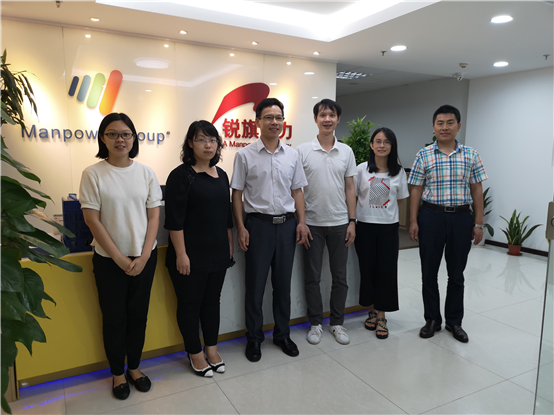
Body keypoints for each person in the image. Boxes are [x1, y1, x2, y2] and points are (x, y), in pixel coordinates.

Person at [80, 113, 162, 400]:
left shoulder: (146, 173)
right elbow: (92, 220)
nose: (120, 139)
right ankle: (117, 373)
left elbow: (154, 217)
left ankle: (135, 368)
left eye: (126, 134)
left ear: (134, 138)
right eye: (113, 134)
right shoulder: (93, 173)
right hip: (109, 261)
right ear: (103, 138)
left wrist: (143, 255)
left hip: (144, 258)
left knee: (138, 316)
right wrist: (120, 259)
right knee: (114, 319)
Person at [230, 97, 309, 362]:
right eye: (268, 117)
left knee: (283, 286)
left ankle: (282, 334)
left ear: (283, 122)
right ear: (258, 122)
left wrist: (301, 222)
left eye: (278, 117)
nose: (274, 122)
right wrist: (241, 227)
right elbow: (237, 194)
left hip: (287, 226)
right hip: (258, 227)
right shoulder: (245, 155)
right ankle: (254, 339)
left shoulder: (293, 155)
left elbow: (297, 191)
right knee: (254, 287)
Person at [408, 104, 487, 343]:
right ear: (433, 127)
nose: (445, 127)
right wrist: (413, 220)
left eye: (450, 123)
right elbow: (416, 189)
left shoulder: (471, 154)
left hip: (461, 218)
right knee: (429, 272)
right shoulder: (423, 155)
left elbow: (477, 189)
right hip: (431, 216)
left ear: (458, 126)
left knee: (457, 274)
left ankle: (454, 321)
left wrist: (478, 223)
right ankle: (432, 319)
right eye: (440, 123)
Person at [164, 121, 234, 377]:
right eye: (201, 140)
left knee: (212, 302)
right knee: (190, 304)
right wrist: (181, 254)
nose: (208, 145)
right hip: (189, 255)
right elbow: (175, 221)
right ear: (190, 144)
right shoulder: (181, 176)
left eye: (212, 140)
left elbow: (226, 216)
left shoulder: (222, 175)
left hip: (218, 252)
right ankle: (194, 352)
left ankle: (212, 349)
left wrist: (229, 246)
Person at [297, 99, 356, 345]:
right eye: (322, 115)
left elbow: (350, 187)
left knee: (340, 277)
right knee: (312, 278)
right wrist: (301, 221)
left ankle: (337, 323)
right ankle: (315, 324)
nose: (327, 119)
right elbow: (297, 189)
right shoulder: (302, 150)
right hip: (312, 224)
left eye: (331, 115)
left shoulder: (346, 151)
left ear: (338, 119)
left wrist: (352, 221)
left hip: (340, 223)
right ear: (315, 119)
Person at [355, 127, 409, 340]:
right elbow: (354, 196)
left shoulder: (398, 172)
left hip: (388, 228)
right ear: (371, 145)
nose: (381, 145)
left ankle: (381, 316)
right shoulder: (361, 170)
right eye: (377, 141)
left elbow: (400, 200)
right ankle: (371, 309)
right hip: (364, 226)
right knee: (367, 270)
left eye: (386, 142)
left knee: (386, 271)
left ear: (392, 146)